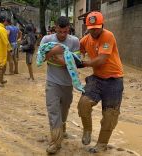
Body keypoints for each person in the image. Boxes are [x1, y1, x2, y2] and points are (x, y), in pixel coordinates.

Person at [78, 11, 124, 153]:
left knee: (110, 115)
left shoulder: (108, 36)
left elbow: (101, 60)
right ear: (87, 27)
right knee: (83, 104)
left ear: (102, 25)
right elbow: (77, 51)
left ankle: (102, 143)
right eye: (91, 28)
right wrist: (76, 57)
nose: (94, 31)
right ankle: (87, 130)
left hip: (114, 80)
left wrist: (84, 64)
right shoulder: (85, 40)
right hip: (97, 78)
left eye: (96, 28)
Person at [40, 16, 80, 154]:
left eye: (65, 32)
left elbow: (75, 64)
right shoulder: (47, 40)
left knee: (64, 110)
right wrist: (54, 52)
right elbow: (40, 58)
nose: (62, 35)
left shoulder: (74, 41)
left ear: (68, 28)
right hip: (52, 82)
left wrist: (60, 60)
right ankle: (55, 142)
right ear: (55, 28)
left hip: (68, 84)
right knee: (53, 112)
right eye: (60, 31)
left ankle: (62, 128)